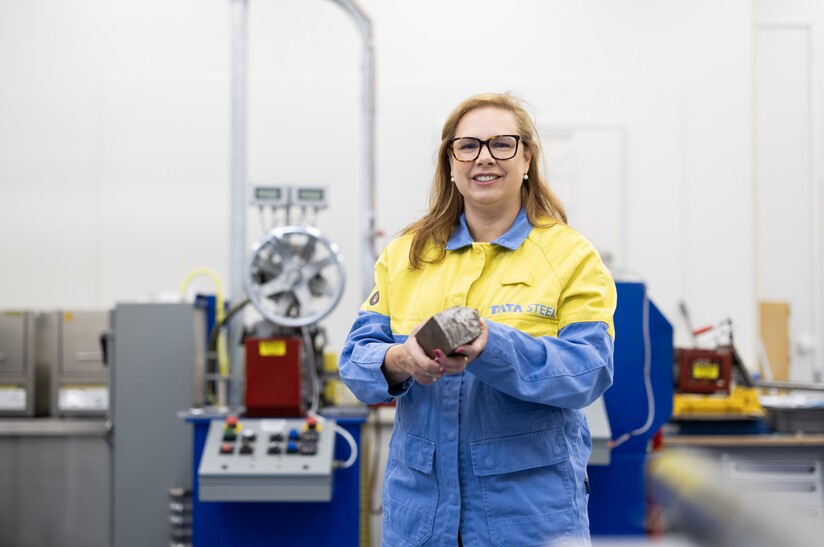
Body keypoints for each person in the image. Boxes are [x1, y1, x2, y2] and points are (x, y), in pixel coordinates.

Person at [339, 92, 616, 546]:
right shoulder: (407, 256)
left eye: (501, 144)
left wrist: (495, 347)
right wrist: (399, 359)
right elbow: (356, 360)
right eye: (467, 146)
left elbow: (589, 370)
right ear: (450, 162)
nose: (483, 158)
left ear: (527, 157)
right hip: (420, 520)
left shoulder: (570, 256)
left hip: (528, 518)